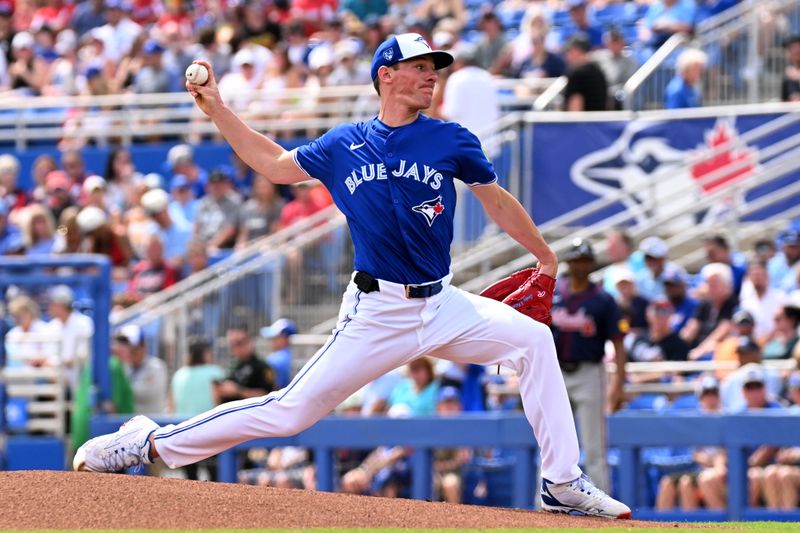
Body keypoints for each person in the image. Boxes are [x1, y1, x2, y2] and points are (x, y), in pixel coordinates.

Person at [74, 32, 631, 519]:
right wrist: (217, 108)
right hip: (377, 310)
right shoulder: (344, 145)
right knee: (290, 412)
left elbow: (496, 201)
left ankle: (561, 483)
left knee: (534, 340)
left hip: (443, 304)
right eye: (419, 68)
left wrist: (544, 254)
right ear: (385, 76)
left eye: (434, 69)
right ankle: (147, 442)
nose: (430, 76)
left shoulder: (451, 139)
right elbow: (272, 165)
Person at [550, 238, 626, 493]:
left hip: (589, 372)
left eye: (584, 260)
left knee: (594, 447)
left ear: (592, 263)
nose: (580, 265)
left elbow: (618, 344)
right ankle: (545, 504)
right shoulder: (555, 293)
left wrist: (618, 384)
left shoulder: (603, 300)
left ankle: (603, 502)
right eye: (575, 260)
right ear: (569, 263)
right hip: (557, 372)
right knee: (553, 444)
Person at [259, 318, 298, 390]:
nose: (272, 341)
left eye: (275, 337)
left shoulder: (276, 358)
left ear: (285, 338)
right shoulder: (292, 355)